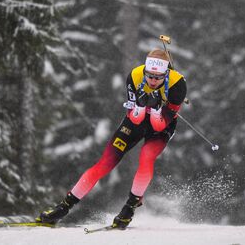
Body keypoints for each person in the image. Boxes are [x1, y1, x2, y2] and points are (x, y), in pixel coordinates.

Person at [36, 48, 187, 229]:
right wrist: (139, 106)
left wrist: (155, 109)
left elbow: (159, 125)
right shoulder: (135, 76)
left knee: (146, 157)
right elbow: (134, 118)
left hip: (162, 125)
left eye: (158, 77)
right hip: (136, 121)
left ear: (166, 74)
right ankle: (63, 208)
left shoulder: (178, 84)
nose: (153, 81)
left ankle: (129, 208)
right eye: (150, 76)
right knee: (104, 163)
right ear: (145, 71)